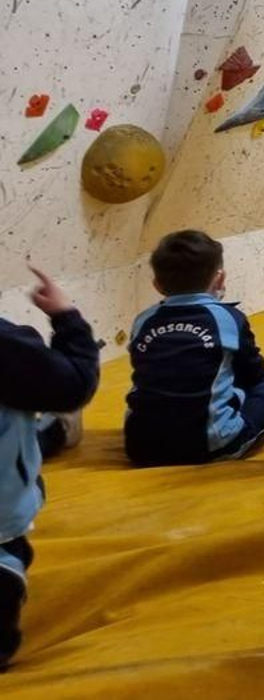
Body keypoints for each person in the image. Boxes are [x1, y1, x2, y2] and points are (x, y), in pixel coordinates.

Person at [124, 230, 264, 465]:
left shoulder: (142, 321)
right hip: (210, 446)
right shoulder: (228, 318)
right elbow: (255, 376)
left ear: (157, 285)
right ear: (220, 279)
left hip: (141, 448)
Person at [1, 267, 99, 668]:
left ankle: (53, 430)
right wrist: (66, 318)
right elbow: (74, 383)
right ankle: (54, 428)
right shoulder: (8, 347)